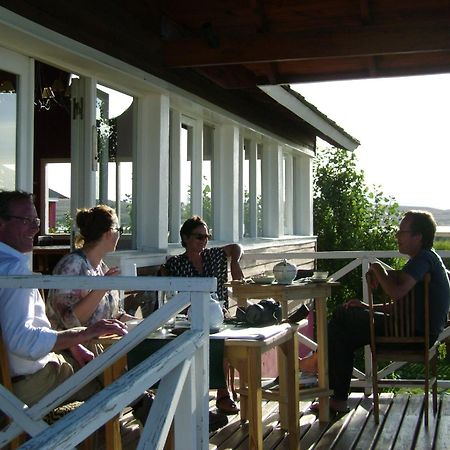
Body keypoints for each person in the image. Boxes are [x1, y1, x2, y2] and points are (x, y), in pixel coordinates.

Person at [305, 210, 450, 413]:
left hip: (415, 335)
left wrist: (378, 270)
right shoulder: (424, 260)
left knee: (342, 317)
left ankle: (320, 368)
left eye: (402, 232)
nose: (397, 236)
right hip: (415, 330)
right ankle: (334, 392)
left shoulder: (423, 259)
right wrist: (367, 307)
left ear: (418, 237)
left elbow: (396, 293)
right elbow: (401, 307)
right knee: (342, 333)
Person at [0, 190, 128, 407]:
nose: (35, 227)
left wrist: (74, 344)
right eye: (26, 220)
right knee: (110, 384)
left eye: (36, 220)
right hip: (29, 383)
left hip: (30, 373)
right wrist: (83, 334)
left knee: (108, 367)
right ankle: (140, 433)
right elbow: (22, 341)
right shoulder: (13, 270)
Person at [164, 215, 244, 417]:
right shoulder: (176, 263)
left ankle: (223, 393)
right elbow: (170, 295)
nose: (204, 240)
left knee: (223, 340)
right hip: (190, 319)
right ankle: (221, 394)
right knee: (211, 340)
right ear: (185, 238)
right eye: (199, 236)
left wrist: (235, 262)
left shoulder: (213, 256)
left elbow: (235, 247)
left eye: (206, 236)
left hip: (219, 316)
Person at [46, 205, 134, 330]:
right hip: (72, 347)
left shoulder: (102, 268)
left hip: (103, 344)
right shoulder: (72, 266)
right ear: (109, 232)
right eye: (119, 230)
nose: (119, 235)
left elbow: (114, 316)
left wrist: (146, 323)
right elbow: (69, 321)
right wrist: (103, 286)